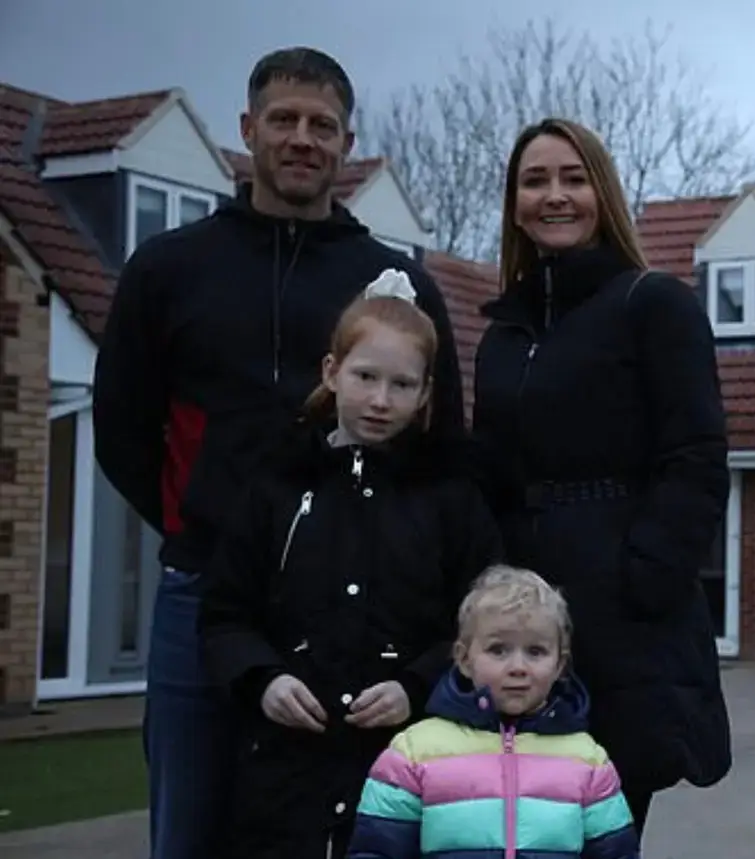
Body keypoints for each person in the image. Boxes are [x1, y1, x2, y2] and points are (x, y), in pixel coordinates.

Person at [91, 47, 466, 859]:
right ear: (247, 130)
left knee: (346, 836)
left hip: (363, 608)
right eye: (285, 120)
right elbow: (121, 425)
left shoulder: (391, 280)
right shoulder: (169, 268)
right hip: (203, 595)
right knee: (188, 828)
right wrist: (195, 523)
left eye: (323, 125)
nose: (303, 138)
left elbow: (443, 443)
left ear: (347, 142)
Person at [469, 117, 733, 836]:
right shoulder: (503, 336)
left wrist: (643, 577)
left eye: (572, 178)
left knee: (599, 836)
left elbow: (697, 457)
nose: (554, 196)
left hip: (624, 627)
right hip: (522, 627)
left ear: (602, 193)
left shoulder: (653, 305)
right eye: (535, 180)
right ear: (514, 202)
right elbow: (485, 472)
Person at [198, 272, 501, 859]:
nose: (381, 401)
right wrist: (263, 679)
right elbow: (224, 615)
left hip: (411, 770)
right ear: (332, 372)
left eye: (402, 384)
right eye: (365, 378)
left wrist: (417, 685)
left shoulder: (452, 498)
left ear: (425, 394)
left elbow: (481, 625)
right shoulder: (276, 487)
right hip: (285, 773)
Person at [347, 564, 640, 859]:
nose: (518, 668)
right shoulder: (412, 753)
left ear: (560, 665)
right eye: (498, 650)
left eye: (536, 651)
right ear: (463, 658)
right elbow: (376, 851)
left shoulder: (588, 761)